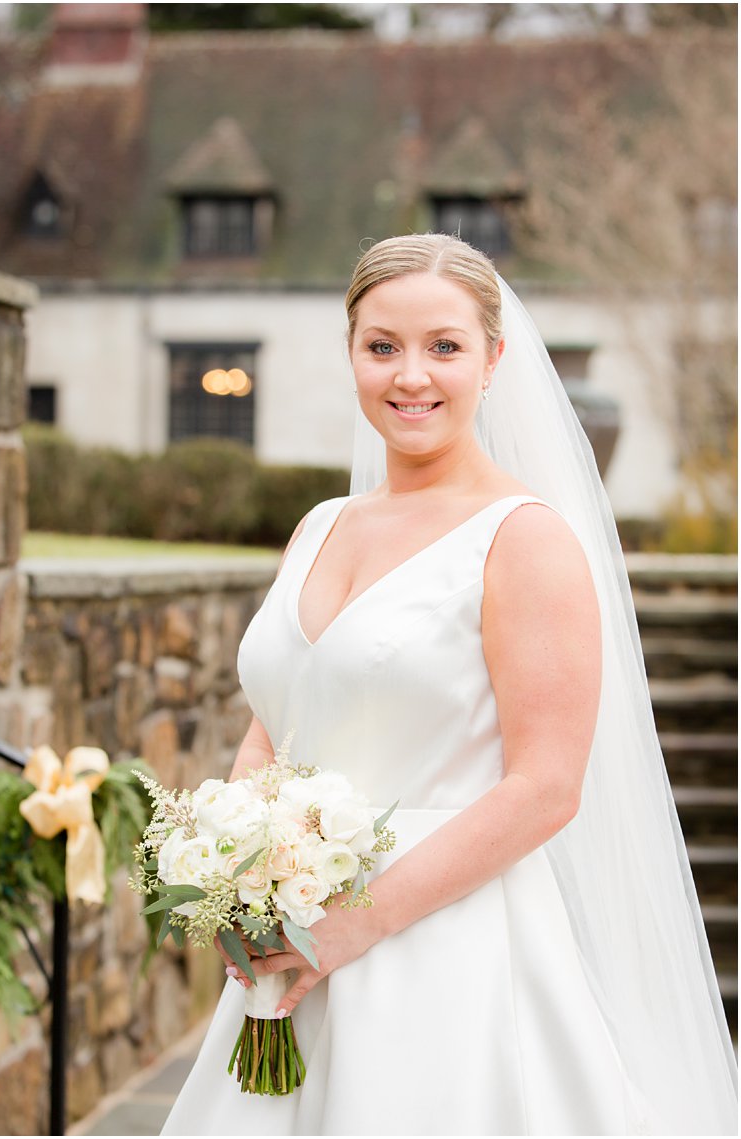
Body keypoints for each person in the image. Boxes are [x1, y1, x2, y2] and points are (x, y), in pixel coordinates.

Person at [161, 233, 736, 1135]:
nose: (410, 375)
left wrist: (354, 927)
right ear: (351, 351)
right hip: (291, 947)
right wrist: (237, 875)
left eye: (444, 346)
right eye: (381, 346)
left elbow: (546, 788)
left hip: (447, 954)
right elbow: (275, 724)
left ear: (494, 359)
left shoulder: (525, 539)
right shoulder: (318, 526)